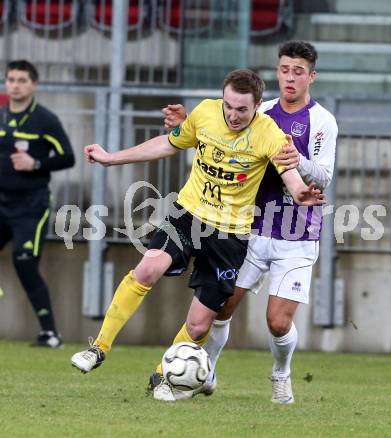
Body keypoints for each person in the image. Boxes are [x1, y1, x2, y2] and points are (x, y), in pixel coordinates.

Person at [70, 68, 324, 401]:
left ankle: (164, 375)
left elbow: (291, 179)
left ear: (258, 105)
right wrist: (111, 158)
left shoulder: (270, 134)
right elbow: (169, 142)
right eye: (228, 106)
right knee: (148, 268)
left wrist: (303, 195)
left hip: (230, 236)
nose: (233, 115)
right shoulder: (205, 112)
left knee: (201, 326)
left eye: (242, 109)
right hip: (188, 215)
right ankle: (99, 347)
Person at [155, 40, 338, 404]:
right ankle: (207, 372)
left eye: (298, 72)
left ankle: (281, 374)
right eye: (284, 69)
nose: (290, 78)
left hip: (297, 232)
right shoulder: (261, 111)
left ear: (311, 77)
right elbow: (221, 140)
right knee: (221, 307)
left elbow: (324, 176)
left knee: (277, 322)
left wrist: (294, 159)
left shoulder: (322, 122)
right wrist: (187, 127)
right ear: (277, 71)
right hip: (249, 227)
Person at [0, 60, 75, 347]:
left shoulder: (45, 120)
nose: (15, 85)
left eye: (21, 80)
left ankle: (50, 334)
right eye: (11, 79)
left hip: (31, 206)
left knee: (25, 262)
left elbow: (68, 157)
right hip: (1, 201)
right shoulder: (2, 116)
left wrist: (36, 163)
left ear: (33, 84)